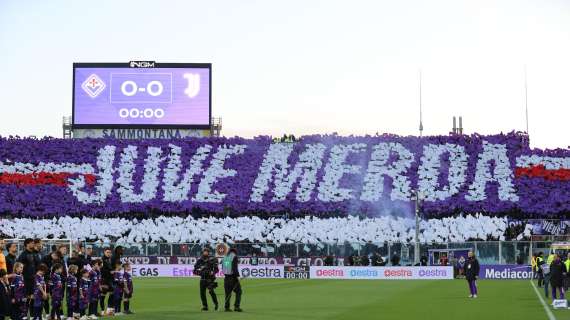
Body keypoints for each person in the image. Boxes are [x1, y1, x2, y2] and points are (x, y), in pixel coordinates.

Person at [222, 248, 242, 312]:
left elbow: (222, 267)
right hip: (233, 278)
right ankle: (236, 306)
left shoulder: (225, 257)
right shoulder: (234, 257)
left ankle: (227, 307)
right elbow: (234, 268)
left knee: (227, 294)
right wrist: (238, 276)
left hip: (226, 278)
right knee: (239, 292)